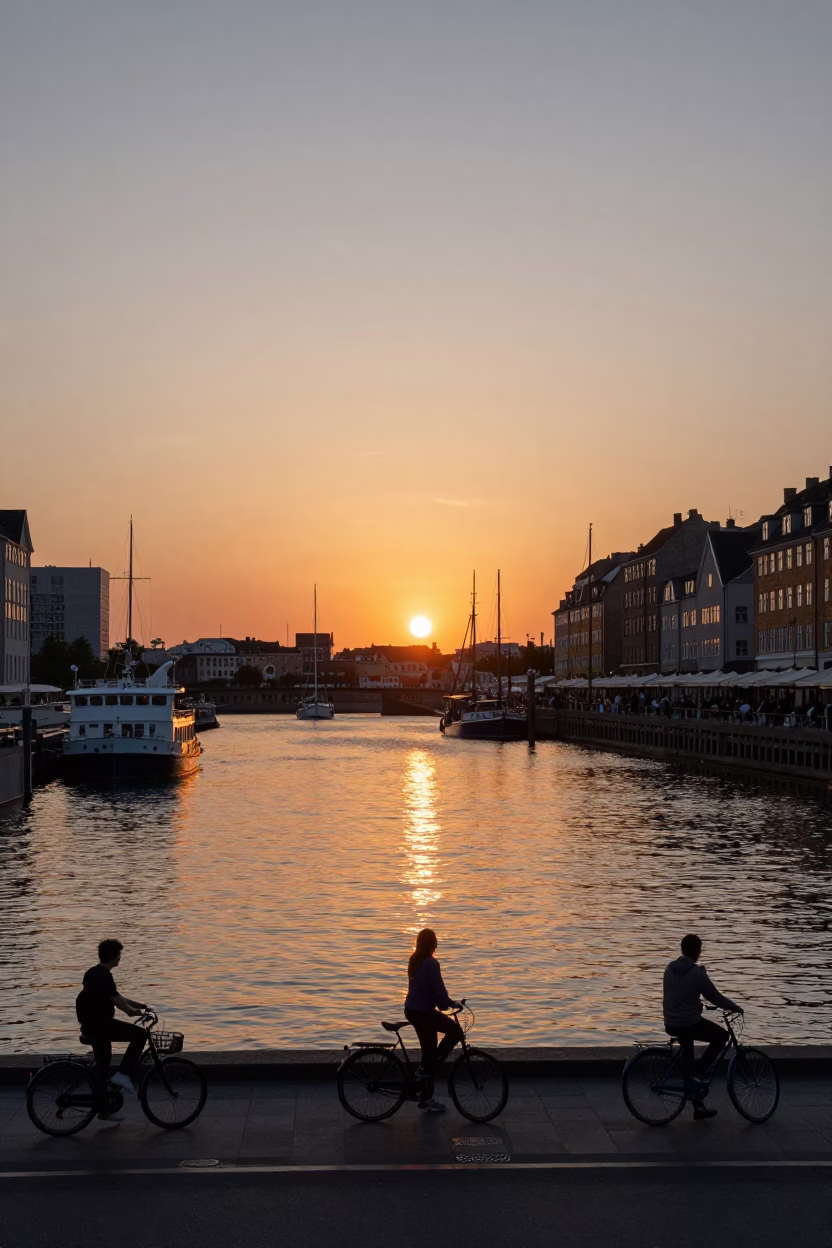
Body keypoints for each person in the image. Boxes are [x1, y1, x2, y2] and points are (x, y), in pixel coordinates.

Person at [662, 933, 742, 1121]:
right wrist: (733, 1006)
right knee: (721, 1036)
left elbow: (679, 995)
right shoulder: (697, 973)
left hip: (671, 1022)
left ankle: (698, 1105)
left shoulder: (670, 968)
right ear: (698, 951)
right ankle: (700, 1070)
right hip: (687, 1023)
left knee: (689, 1064)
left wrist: (698, 1004)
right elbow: (714, 996)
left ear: (682, 950)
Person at [75, 939, 147, 1119]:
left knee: (103, 1065)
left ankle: (103, 1108)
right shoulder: (104, 976)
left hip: (92, 1026)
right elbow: (124, 1007)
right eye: (119, 955)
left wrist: (142, 1005)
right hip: (101, 1026)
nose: (120, 958)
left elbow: (117, 996)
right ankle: (123, 1074)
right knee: (140, 1035)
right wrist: (136, 1012)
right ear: (115, 956)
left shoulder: (94, 972)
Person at [404, 928, 463, 1113]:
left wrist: (443, 1004)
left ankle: (424, 1077)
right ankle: (426, 1079)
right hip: (423, 1012)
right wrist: (452, 1004)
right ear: (434, 944)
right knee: (455, 1032)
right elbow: (439, 993)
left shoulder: (414, 960)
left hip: (412, 1010)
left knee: (429, 1052)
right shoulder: (431, 963)